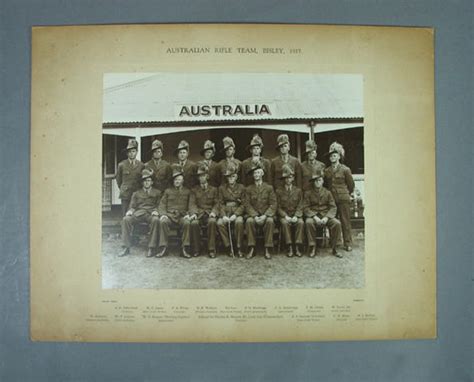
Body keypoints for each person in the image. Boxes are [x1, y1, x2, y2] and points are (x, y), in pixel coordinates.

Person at [156, 165, 197, 258]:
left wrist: (192, 214)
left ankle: (184, 248)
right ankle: (163, 247)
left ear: (182, 181)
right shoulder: (167, 191)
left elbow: (192, 204)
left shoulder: (188, 191)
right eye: (175, 180)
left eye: (179, 179)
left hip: (182, 216)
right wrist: (163, 214)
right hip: (170, 216)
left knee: (187, 222)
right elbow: (162, 204)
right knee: (162, 221)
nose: (177, 181)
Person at [119, 168, 162, 258]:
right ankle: (125, 247)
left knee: (156, 220)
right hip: (139, 213)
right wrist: (130, 211)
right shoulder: (136, 193)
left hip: (151, 213)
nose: (147, 182)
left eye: (149, 180)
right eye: (145, 181)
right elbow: (132, 206)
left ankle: (151, 247)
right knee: (126, 219)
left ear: (152, 182)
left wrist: (156, 211)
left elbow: (160, 205)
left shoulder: (157, 193)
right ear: (142, 182)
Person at [324, 142, 355, 252]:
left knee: (345, 221)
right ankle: (335, 242)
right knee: (333, 221)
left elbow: (351, 185)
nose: (333, 157)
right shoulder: (326, 171)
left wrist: (345, 194)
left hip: (343, 199)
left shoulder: (345, 169)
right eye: (331, 155)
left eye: (335, 155)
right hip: (331, 200)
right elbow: (326, 186)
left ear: (339, 156)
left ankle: (347, 243)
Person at [303, 171, 342, 258]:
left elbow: (333, 207)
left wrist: (327, 218)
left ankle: (335, 247)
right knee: (308, 222)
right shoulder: (308, 193)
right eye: (316, 181)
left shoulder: (327, 193)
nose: (317, 182)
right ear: (313, 182)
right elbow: (306, 207)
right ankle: (312, 246)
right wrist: (314, 217)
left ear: (323, 181)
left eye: (319, 180)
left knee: (337, 223)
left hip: (325, 215)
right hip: (313, 215)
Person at [244, 162, 277, 259]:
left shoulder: (269, 188)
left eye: (258, 173)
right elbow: (247, 204)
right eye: (254, 173)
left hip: (265, 215)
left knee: (270, 221)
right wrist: (254, 216)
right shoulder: (249, 189)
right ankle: (252, 248)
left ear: (262, 174)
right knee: (249, 221)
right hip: (254, 215)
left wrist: (265, 216)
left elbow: (273, 204)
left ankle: (267, 248)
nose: (256, 175)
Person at [217, 163, 246, 258]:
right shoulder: (222, 188)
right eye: (229, 177)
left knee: (239, 222)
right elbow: (220, 203)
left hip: (237, 211)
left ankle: (238, 247)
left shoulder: (241, 188)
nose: (231, 179)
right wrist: (223, 215)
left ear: (236, 177)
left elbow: (243, 204)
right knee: (220, 223)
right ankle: (228, 246)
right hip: (225, 211)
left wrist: (236, 214)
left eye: (233, 176)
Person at [191, 163, 219, 258]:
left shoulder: (214, 189)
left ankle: (211, 249)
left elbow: (217, 203)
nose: (201, 178)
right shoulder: (194, 190)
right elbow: (192, 203)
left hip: (209, 213)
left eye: (203, 175)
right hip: (199, 213)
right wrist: (194, 213)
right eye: (199, 176)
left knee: (212, 222)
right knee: (194, 223)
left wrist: (214, 212)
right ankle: (197, 248)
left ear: (207, 176)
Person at [276, 164, 304, 257]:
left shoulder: (298, 191)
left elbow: (300, 205)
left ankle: (297, 246)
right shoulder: (279, 191)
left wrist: (296, 216)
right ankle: (289, 246)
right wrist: (285, 216)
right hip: (285, 215)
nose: (288, 180)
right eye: (286, 178)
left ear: (293, 178)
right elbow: (278, 207)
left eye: (290, 177)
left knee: (300, 222)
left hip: (295, 214)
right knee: (284, 223)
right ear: (284, 179)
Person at [115, 138, 145, 216]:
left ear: (137, 152)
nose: (131, 154)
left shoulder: (141, 165)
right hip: (126, 194)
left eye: (133, 151)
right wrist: (124, 188)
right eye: (129, 152)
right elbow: (119, 180)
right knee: (125, 216)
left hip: (136, 193)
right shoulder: (121, 165)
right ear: (127, 153)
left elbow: (142, 180)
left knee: (136, 215)